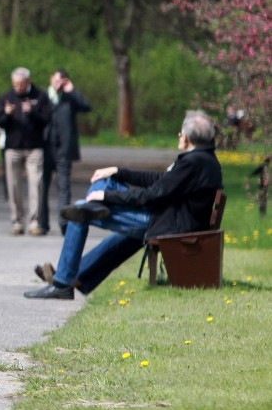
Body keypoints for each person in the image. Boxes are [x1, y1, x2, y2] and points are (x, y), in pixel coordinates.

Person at [24, 112, 222, 300]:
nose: (179, 136)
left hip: (166, 224)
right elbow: (160, 181)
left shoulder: (194, 163)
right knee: (106, 181)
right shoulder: (203, 160)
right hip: (166, 217)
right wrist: (118, 171)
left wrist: (108, 196)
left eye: (181, 133)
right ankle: (75, 274)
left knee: (79, 210)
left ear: (187, 137)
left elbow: (151, 195)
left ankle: (61, 284)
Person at [0, 67, 52, 236]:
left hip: (35, 147)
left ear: (28, 82)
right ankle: (17, 221)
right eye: (15, 83)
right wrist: (6, 114)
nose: (17, 87)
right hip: (13, 147)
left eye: (20, 83)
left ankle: (34, 221)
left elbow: (47, 120)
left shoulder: (40, 96)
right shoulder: (7, 97)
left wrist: (32, 112)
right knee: (13, 185)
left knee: (36, 184)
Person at [39, 68, 92, 235]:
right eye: (56, 80)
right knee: (42, 186)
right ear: (50, 79)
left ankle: (63, 223)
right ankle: (42, 223)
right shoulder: (42, 96)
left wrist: (72, 90)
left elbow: (86, 107)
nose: (58, 84)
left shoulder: (70, 98)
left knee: (64, 187)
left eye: (61, 81)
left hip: (64, 148)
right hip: (45, 147)